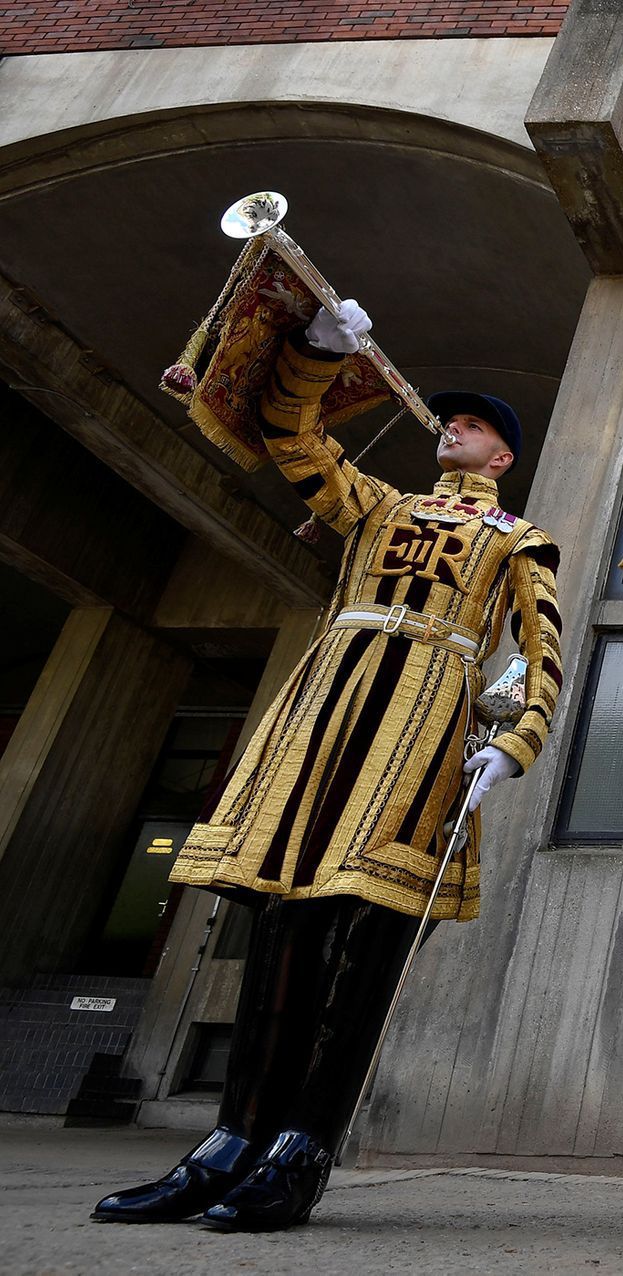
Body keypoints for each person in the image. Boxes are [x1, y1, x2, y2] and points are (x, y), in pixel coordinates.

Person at [93, 300, 563, 1232]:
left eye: (469, 426)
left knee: (366, 947)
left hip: (421, 731)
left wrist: (515, 741)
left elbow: (542, 648)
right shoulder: (378, 504)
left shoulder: (517, 538)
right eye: (448, 422)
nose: (451, 431)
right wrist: (314, 354)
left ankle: (303, 1149)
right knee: (280, 929)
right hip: (322, 720)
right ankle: (230, 1143)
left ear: (501, 458)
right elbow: (289, 437)